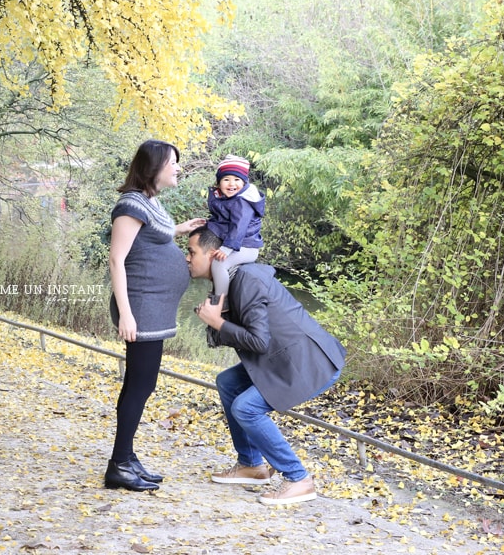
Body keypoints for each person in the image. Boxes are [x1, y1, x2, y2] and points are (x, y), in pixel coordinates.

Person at [186, 226, 346, 505]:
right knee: (228, 383)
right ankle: (252, 465)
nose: (186, 258)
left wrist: (218, 321)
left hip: (309, 362)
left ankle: (299, 479)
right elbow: (226, 337)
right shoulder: (228, 282)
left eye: (191, 252)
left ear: (213, 255)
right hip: (282, 358)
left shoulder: (247, 280)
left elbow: (258, 341)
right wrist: (217, 314)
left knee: (246, 407)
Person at [106, 139, 206, 492]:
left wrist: (179, 230)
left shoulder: (149, 203)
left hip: (154, 308)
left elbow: (151, 237)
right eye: (173, 162)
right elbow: (117, 259)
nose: (178, 167)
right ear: (154, 166)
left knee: (142, 384)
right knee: (139, 384)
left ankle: (126, 457)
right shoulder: (130, 205)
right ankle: (118, 464)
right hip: (141, 308)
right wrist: (127, 316)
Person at [205, 155, 265, 305]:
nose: (231, 184)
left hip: (247, 246)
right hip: (240, 243)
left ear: (244, 182)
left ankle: (221, 301)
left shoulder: (243, 201)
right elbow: (223, 220)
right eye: (226, 179)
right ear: (218, 183)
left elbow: (239, 226)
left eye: (237, 180)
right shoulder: (227, 199)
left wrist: (227, 248)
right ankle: (218, 291)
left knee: (219, 263)